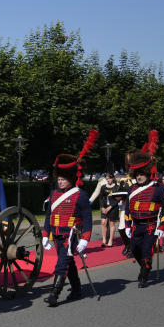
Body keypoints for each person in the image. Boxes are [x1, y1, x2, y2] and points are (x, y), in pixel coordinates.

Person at [41, 130, 97, 306]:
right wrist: (45, 234)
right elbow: (49, 215)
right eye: (58, 178)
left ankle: (54, 294)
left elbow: (87, 218)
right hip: (56, 235)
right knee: (68, 262)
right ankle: (77, 288)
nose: (60, 181)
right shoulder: (54, 194)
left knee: (61, 264)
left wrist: (85, 240)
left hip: (71, 236)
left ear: (71, 178)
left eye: (63, 179)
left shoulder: (80, 195)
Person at [124, 132, 164, 287]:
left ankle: (144, 275)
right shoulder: (132, 189)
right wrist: (126, 226)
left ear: (147, 173)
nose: (139, 177)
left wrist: (162, 226)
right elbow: (128, 209)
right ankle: (144, 266)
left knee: (146, 250)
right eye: (137, 174)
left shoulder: (158, 188)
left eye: (142, 174)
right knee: (135, 250)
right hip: (136, 225)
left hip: (151, 225)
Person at [88, 172, 122, 247]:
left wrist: (110, 207)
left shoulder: (117, 187)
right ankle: (104, 240)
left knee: (111, 224)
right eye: (106, 179)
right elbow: (101, 198)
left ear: (112, 178)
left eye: (109, 178)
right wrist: (102, 207)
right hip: (104, 207)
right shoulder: (103, 187)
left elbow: (118, 199)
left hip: (113, 208)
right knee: (103, 222)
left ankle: (110, 240)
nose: (108, 180)